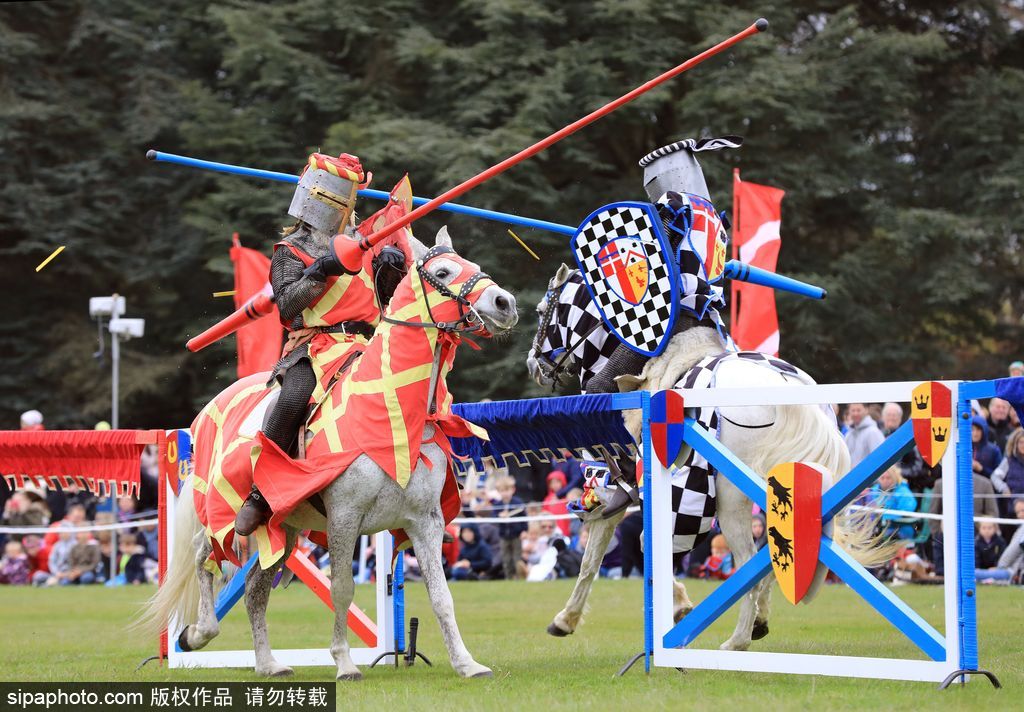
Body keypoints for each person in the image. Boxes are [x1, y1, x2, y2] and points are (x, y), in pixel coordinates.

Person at [235, 153, 410, 535]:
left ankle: (420, 485)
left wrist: (391, 267)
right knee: (295, 397)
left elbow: (389, 301)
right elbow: (286, 306)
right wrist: (321, 270)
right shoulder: (291, 250)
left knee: (411, 384)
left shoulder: (365, 243)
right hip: (314, 347)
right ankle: (261, 493)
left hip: (366, 344)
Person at [928, 471, 999, 575]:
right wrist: (938, 534)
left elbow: (992, 513)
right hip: (947, 533)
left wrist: (984, 531)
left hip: (976, 534)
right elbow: (933, 513)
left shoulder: (985, 483)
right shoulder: (940, 484)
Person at [881, 402, 934, 492]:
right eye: (888, 415)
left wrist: (897, 471)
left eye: (894, 415)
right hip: (883, 485)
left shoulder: (906, 438)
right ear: (883, 418)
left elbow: (917, 466)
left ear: (900, 419)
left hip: (907, 486)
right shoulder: (880, 435)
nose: (891, 418)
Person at [491, 476, 527, 580]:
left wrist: (524, 530)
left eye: (507, 490)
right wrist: (499, 516)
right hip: (503, 536)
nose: (505, 493)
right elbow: (493, 518)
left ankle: (519, 577)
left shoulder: (518, 503)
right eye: (502, 491)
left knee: (517, 558)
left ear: (512, 490)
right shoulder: (497, 505)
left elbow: (524, 518)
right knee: (506, 558)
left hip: (516, 535)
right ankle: (509, 577)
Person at [869, 466, 917, 541]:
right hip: (876, 526)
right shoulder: (874, 490)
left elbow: (907, 510)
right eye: (882, 478)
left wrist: (885, 516)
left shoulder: (902, 491)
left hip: (898, 527)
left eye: (888, 478)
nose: (885, 480)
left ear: (894, 478)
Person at [991, 428, 1024, 534]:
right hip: (1011, 508)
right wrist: (1004, 488)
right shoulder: (1008, 461)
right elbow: (995, 477)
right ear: (1016, 444)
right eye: (1021, 442)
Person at [845, 403, 886, 468]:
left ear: (866, 410)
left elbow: (880, 458)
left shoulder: (873, 432)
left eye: (858, 410)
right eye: (853, 410)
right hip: (851, 477)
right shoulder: (848, 435)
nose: (855, 413)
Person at [995, 499, 1024, 583]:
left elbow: (1010, 553)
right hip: (1014, 571)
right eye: (1018, 512)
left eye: (1023, 510)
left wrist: (1000, 569)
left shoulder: (1022, 530)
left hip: (1014, 573)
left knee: (979, 574)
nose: (1020, 515)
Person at [542, 471, 570, 536]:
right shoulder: (547, 499)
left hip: (567, 530)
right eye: (552, 483)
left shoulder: (568, 498)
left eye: (557, 482)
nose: (555, 485)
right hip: (552, 532)